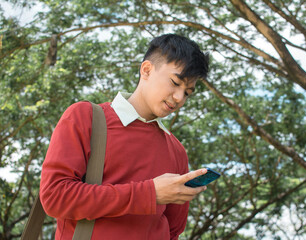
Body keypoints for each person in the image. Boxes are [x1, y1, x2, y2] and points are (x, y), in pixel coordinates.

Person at [40, 34, 210, 240]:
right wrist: (149, 194)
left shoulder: (177, 151)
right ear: (146, 70)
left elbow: (173, 230)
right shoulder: (85, 117)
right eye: (175, 82)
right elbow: (55, 197)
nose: (179, 98)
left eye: (187, 92)